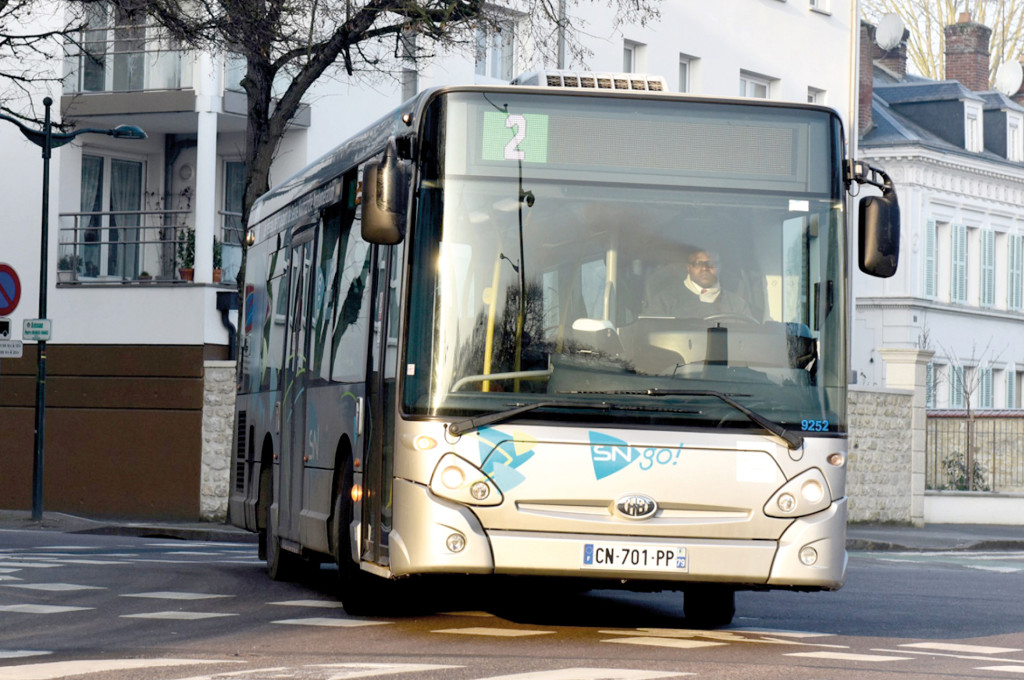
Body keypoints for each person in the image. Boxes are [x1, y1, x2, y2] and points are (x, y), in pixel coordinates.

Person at [644, 249, 753, 318]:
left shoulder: (737, 304)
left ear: (720, 268)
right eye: (698, 263)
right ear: (688, 267)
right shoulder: (664, 300)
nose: (704, 268)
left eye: (711, 263)